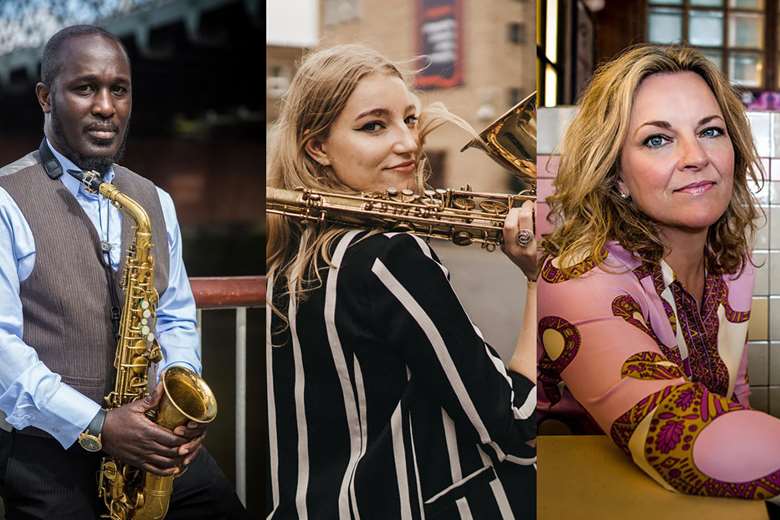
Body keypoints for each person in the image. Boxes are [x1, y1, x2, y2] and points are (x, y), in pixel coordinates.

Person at [266, 44, 537, 519]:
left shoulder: (287, 257)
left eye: (409, 119)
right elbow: (515, 427)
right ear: (318, 147)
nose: (409, 143)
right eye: (374, 125)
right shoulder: (390, 257)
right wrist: (540, 281)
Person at [0, 25, 246, 518]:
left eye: (119, 89)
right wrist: (98, 424)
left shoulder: (156, 200)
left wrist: (176, 395)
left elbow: (175, 315)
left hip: (150, 439)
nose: (106, 107)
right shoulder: (7, 200)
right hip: (47, 448)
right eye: (85, 88)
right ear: (46, 98)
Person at [538, 44, 780, 502]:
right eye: (657, 139)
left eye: (711, 131)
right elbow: (676, 434)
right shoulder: (577, 279)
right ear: (617, 178)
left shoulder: (731, 262)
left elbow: (733, 394)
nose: (696, 157)